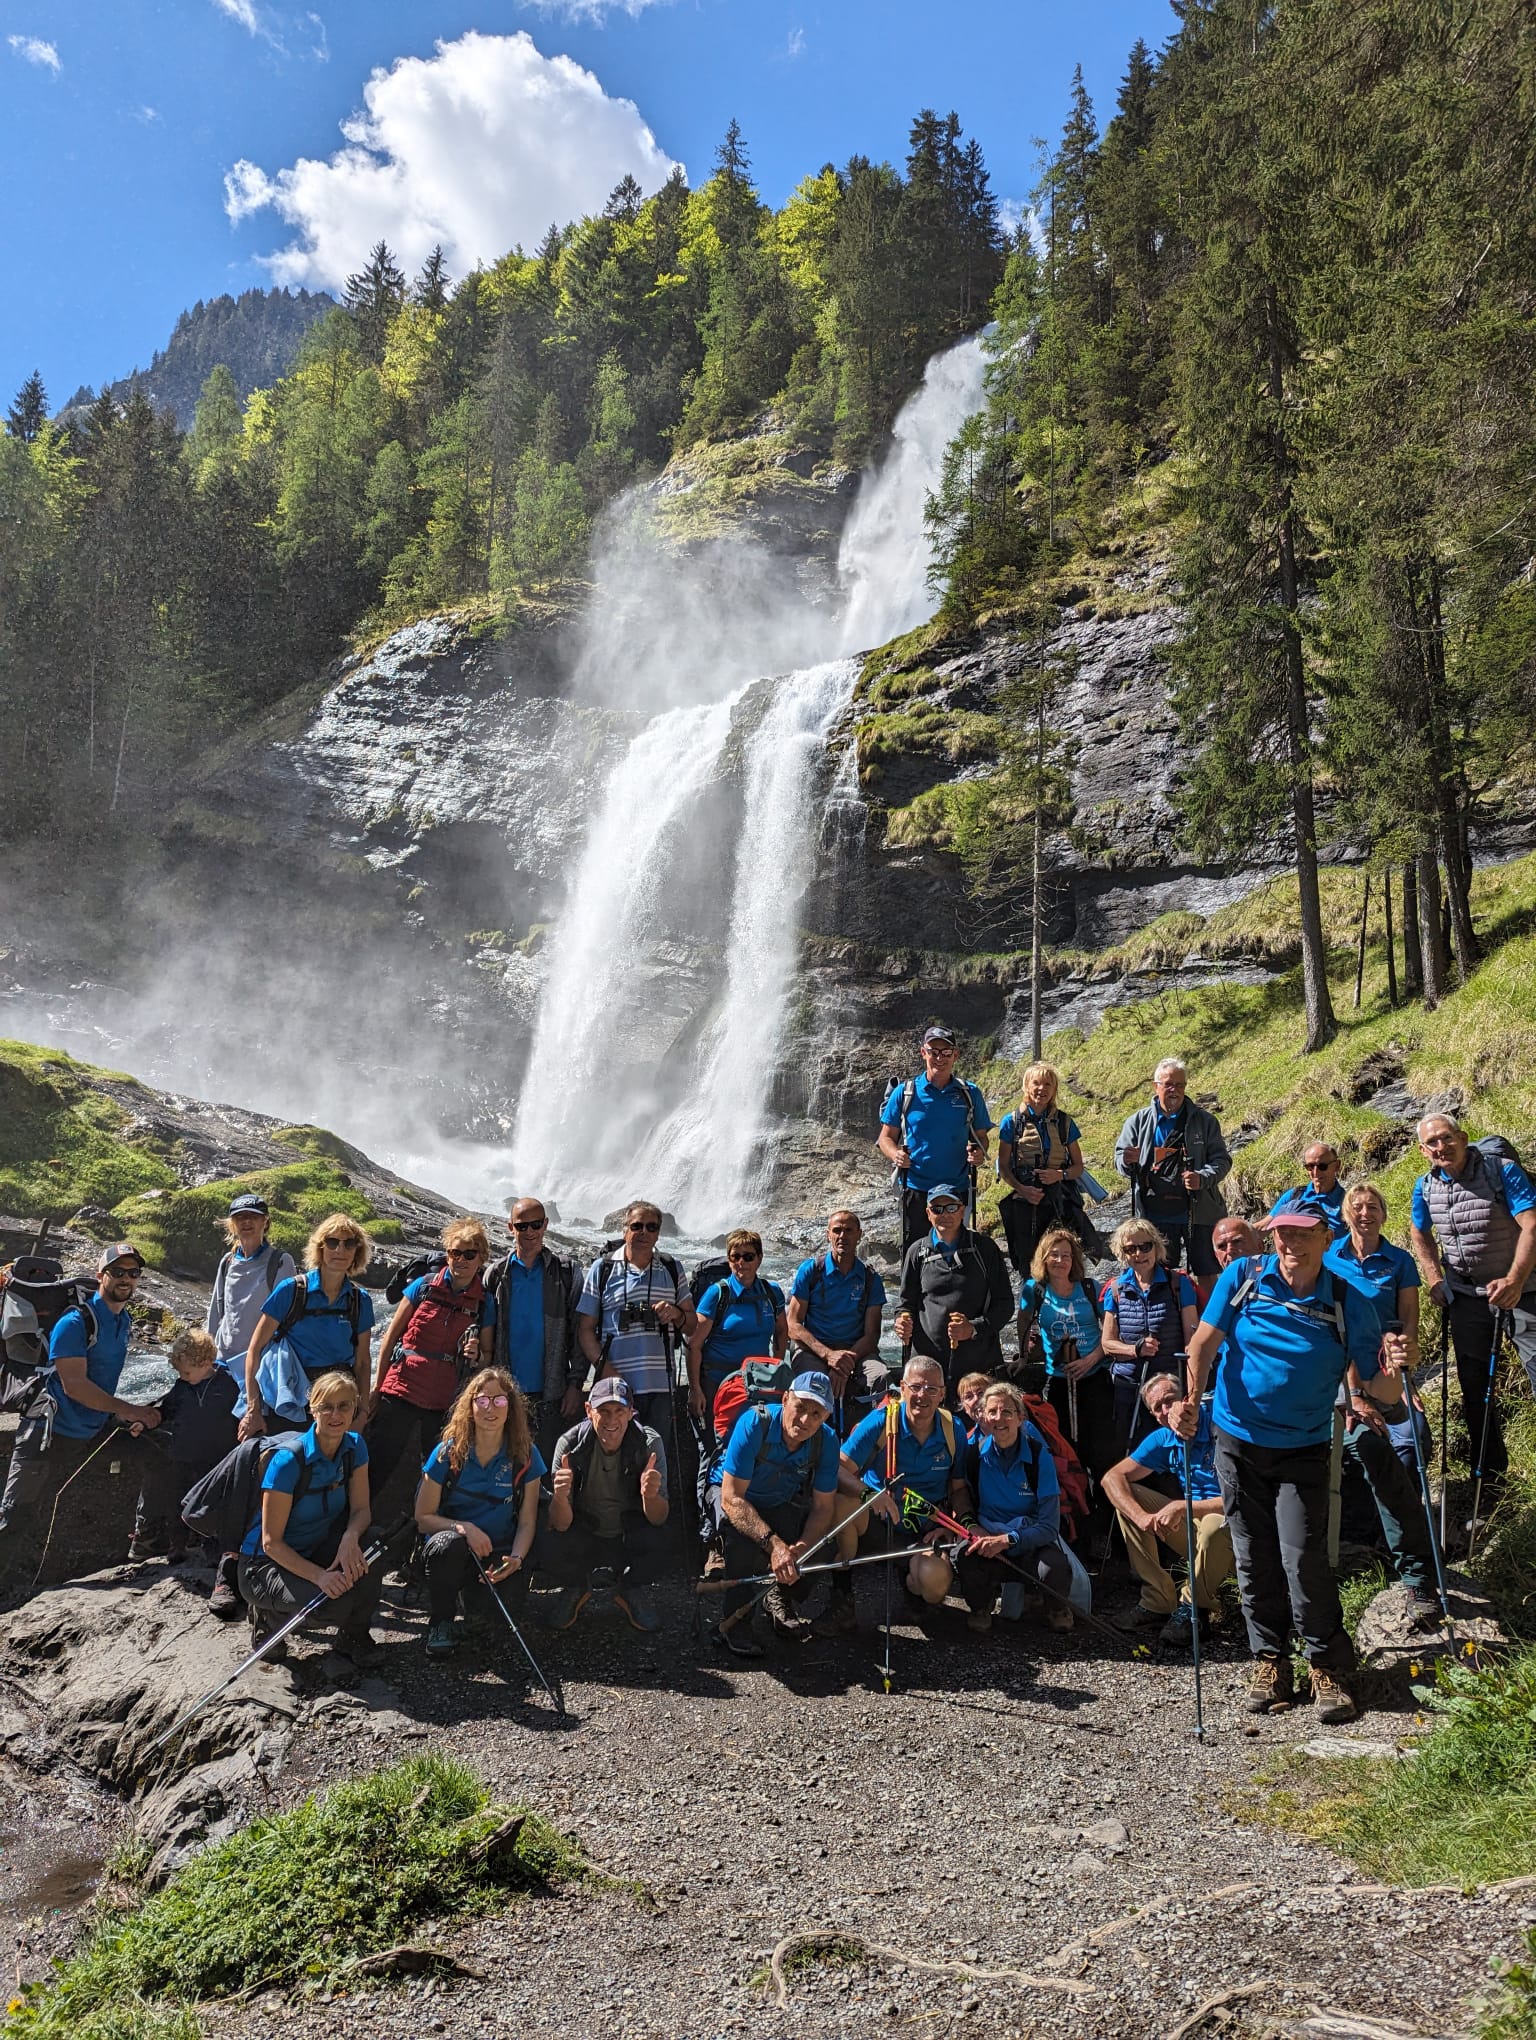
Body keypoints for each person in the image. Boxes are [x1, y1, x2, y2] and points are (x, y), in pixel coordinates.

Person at [1173, 1208, 1411, 1723]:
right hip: (1236, 1439)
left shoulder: (1350, 1298)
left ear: (1327, 1239)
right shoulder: (1244, 1276)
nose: (1290, 1243)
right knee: (1252, 1556)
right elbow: (1203, 1344)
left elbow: (1380, 1389)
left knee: (1302, 1557)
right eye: (1282, 1233)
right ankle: (1270, 1661)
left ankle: (1326, 1665)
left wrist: (1396, 1365)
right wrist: (1189, 1401)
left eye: (1303, 1235)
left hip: (1304, 1446)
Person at [0, 1242, 163, 1587]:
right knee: (14, 1515)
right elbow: (74, 1385)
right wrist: (128, 1408)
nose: (126, 1279)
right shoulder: (76, 1322)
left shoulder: (123, 1320)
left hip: (91, 1426)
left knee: (159, 1452)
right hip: (49, 1430)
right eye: (117, 1272)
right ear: (100, 1275)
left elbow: (101, 1379)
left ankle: (147, 1543)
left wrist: (122, 1415)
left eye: (133, 1273)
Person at [1326, 1181, 1440, 1625]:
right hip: (1340, 1382)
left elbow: (1407, 1321)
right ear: (1345, 1214)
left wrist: (1404, 1375)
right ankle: (1415, 1571)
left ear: (1384, 1214)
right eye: (1357, 1206)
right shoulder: (1329, 1259)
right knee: (1373, 1447)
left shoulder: (1399, 1261)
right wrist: (1353, 1393)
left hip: (1387, 1374)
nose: (1365, 1212)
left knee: (1413, 1441)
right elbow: (1335, 1333)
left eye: (1373, 1205)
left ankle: (1410, 1550)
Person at [1409, 1114, 1536, 1508]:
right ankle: (1492, 1482)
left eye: (1446, 1138)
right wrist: (1434, 1279)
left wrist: (1514, 1280)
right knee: (1475, 1389)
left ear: (1462, 1138)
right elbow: (1419, 1231)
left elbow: (1531, 1225)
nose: (1440, 1147)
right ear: (1422, 1150)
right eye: (1432, 1143)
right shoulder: (1425, 1186)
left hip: (1525, 1291)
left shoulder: (1502, 1171)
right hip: (1466, 1297)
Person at [237, 1369, 382, 1668]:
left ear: (354, 1408)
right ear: (312, 1409)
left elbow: (361, 1510)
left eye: (344, 1406)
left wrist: (350, 1537)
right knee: (334, 1603)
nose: (335, 1414)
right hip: (264, 1566)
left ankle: (354, 1637)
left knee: (374, 1546)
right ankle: (266, 1615)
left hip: (315, 1547)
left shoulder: (355, 1447)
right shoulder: (289, 1461)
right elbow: (271, 1543)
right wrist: (320, 1577)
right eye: (326, 1406)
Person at [815, 1355, 966, 1635]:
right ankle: (842, 1597)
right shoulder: (881, 1422)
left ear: (943, 1393)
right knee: (841, 1503)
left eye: (932, 1389)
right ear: (902, 1388)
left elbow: (958, 1488)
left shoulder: (953, 1430)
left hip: (920, 1529)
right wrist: (869, 1495)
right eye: (916, 1387)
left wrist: (953, 1527)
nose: (923, 1396)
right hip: (875, 1522)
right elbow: (837, 1468)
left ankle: (910, 1581)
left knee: (934, 1586)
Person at [414, 1365, 544, 1658]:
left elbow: (527, 1521)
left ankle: (474, 1601)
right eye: (482, 1400)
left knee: (494, 1625)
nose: (491, 1408)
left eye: (499, 1400)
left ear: (510, 1407)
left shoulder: (526, 1454)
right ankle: (441, 1622)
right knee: (447, 1545)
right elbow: (423, 1518)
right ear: (470, 1406)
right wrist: (464, 1528)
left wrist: (517, 1559)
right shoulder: (448, 1453)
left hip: (500, 1551)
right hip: (455, 1550)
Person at [367, 1219, 496, 1508]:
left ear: (482, 1258)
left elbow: (487, 1357)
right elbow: (389, 1339)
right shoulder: (423, 1286)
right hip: (401, 1389)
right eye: (454, 1253)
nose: (460, 1260)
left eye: (468, 1254)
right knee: (377, 1465)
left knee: (436, 1477)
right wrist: (377, 1388)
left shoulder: (484, 1304)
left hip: (444, 1402)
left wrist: (476, 1355)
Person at [713, 1370, 840, 1658]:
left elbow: (823, 1508)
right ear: (785, 1399)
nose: (806, 1420)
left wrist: (803, 1547)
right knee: (743, 1544)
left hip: (780, 1500)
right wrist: (775, 1546)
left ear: (826, 1417)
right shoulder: (754, 1424)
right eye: (800, 1408)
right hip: (733, 1496)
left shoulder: (827, 1442)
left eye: (816, 1414)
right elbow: (731, 1499)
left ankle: (780, 1595)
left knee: (824, 1547)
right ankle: (738, 1623)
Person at [1101, 1372, 1233, 1644]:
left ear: (1187, 1398)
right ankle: (1158, 1599)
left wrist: (1181, 1507)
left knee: (1212, 1525)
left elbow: (1243, 1498)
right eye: (1156, 1408)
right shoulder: (1163, 1438)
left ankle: (1191, 1606)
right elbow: (1111, 1478)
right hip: (1190, 1524)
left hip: (1234, 1530)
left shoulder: (1221, 1424)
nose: (1165, 1411)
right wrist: (1142, 1518)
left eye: (1170, 1401)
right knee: (1127, 1500)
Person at [541, 1376, 670, 1634]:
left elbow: (659, 1518)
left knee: (663, 1538)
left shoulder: (648, 1443)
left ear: (631, 1412)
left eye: (619, 1411)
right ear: (589, 1411)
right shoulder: (569, 1445)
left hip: (626, 1532)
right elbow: (559, 1523)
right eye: (603, 1411)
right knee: (547, 1541)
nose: (611, 1420)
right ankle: (576, 1586)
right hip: (585, 1530)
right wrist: (560, 1496)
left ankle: (630, 1588)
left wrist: (650, 1496)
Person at [238, 1216, 375, 1440]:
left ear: (356, 1252)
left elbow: (362, 1362)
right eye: (332, 1242)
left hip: (338, 1402)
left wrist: (362, 1413)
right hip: (293, 1400)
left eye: (349, 1243)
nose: (340, 1249)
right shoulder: (291, 1290)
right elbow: (255, 1349)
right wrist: (253, 1409)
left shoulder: (360, 1301)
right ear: (320, 1248)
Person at [954, 1380, 1073, 1633]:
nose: (1000, 1418)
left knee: (1056, 1567)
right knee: (964, 1557)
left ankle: (1055, 1608)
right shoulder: (973, 1455)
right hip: (989, 1537)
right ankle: (980, 1606)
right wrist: (975, 1528)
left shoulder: (1039, 1457)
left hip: (1028, 1538)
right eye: (993, 1412)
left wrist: (1009, 1539)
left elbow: (1049, 1527)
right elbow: (961, 1495)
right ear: (983, 1418)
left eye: (1007, 1412)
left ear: (1020, 1418)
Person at [577, 1201, 694, 1439]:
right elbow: (585, 1330)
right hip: (615, 1388)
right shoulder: (603, 1269)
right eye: (637, 1226)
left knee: (654, 1460)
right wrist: (608, 1372)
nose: (644, 1232)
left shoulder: (672, 1268)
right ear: (624, 1229)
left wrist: (675, 1313)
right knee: (616, 1458)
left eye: (651, 1227)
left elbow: (691, 1324)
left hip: (661, 1387)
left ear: (659, 1233)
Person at [877, 1026, 992, 1257]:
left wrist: (979, 1153)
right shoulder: (905, 1093)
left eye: (946, 1052)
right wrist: (895, 1154)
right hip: (916, 1190)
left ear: (955, 1055)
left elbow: (981, 1137)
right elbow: (885, 1138)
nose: (939, 1057)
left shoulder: (969, 1093)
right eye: (934, 1051)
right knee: (915, 1256)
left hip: (956, 1189)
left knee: (955, 1255)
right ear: (923, 1053)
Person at [485, 1198, 585, 1462]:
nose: (529, 1232)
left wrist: (576, 1384)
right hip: (506, 1392)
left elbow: (580, 1332)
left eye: (536, 1224)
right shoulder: (496, 1274)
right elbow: (485, 1333)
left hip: (552, 1392)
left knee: (550, 1469)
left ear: (545, 1225)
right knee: (506, 1467)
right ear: (510, 1227)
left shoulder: (565, 1272)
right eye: (522, 1225)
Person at [131, 1326, 239, 1565]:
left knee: (213, 1505)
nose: (183, 1377)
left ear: (207, 1363)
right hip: (182, 1456)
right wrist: (144, 1422)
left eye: (187, 1372)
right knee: (177, 1501)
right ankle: (177, 1546)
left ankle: (213, 1550)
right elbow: (165, 1410)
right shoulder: (180, 1387)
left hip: (217, 1459)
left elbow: (240, 1416)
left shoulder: (229, 1385)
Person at [1115, 1058, 1231, 1279]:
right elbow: (1120, 1160)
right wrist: (1126, 1160)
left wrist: (1202, 1177)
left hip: (1200, 1212)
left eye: (1179, 1085)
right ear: (1156, 1086)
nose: (1174, 1090)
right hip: (1154, 1215)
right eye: (1168, 1084)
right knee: (1158, 1275)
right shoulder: (1137, 1122)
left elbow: (1222, 1161)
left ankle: (1207, 1314)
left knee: (1207, 1272)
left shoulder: (1205, 1122)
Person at [1015, 1226, 1113, 1484]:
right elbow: (1024, 1318)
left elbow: (1113, 1330)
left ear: (1074, 1259)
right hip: (1056, 1375)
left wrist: (1092, 1359)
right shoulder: (1034, 1290)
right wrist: (1024, 1356)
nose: (1060, 1260)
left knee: (1099, 1444)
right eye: (1054, 1254)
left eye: (1066, 1255)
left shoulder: (1091, 1288)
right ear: (1044, 1258)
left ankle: (1101, 1502)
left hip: (1094, 1373)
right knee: (1062, 1442)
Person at [893, 1184, 1013, 1395]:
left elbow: (1005, 1305)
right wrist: (902, 1320)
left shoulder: (984, 1249)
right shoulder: (916, 1252)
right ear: (928, 1213)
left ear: (963, 1210)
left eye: (951, 1207)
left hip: (979, 1364)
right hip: (927, 1367)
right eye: (937, 1209)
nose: (944, 1214)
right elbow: (905, 1303)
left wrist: (974, 1328)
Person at [1099, 1219, 1199, 1458]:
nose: (1139, 1253)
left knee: (1177, 1450)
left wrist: (1193, 1389)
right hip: (1130, 1387)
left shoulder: (1178, 1283)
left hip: (1170, 1388)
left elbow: (1192, 1340)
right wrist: (1135, 1349)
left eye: (1145, 1246)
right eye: (1130, 1249)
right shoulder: (1115, 1289)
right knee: (1135, 1453)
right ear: (1121, 1253)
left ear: (1156, 1247)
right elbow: (1107, 1344)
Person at [785, 1211, 889, 1431]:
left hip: (855, 1351)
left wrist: (842, 1365)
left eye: (849, 1230)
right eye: (837, 1230)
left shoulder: (870, 1278)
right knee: (813, 1380)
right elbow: (793, 1325)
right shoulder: (811, 1271)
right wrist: (828, 1355)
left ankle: (870, 1441)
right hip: (814, 1348)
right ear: (828, 1235)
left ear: (859, 1235)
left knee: (881, 1376)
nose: (843, 1236)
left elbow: (872, 1336)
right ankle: (809, 1444)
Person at [996, 1062, 1090, 1278]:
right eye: (1036, 1083)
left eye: (1048, 1084)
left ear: (1054, 1089)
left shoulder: (1064, 1122)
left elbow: (1078, 1167)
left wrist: (1060, 1175)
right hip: (1024, 1202)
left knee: (1059, 1260)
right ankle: (1030, 1307)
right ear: (1026, 1086)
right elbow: (1003, 1166)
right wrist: (1023, 1189)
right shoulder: (1011, 1122)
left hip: (1057, 1201)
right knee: (1026, 1263)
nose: (1042, 1089)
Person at [688, 1230, 788, 1427]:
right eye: (735, 1256)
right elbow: (693, 1344)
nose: (741, 1262)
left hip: (758, 1383)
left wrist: (776, 1369)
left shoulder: (772, 1292)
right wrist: (695, 1389)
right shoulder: (717, 1294)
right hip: (718, 1382)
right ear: (729, 1259)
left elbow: (782, 1331)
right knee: (715, 1447)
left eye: (748, 1256)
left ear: (759, 1258)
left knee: (757, 1443)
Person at [206, 1195, 296, 1378]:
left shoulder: (280, 1262)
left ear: (265, 1221)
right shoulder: (227, 1262)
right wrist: (208, 1355)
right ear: (232, 1224)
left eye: (253, 1216)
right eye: (240, 1217)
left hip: (261, 1364)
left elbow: (289, 1316)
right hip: (223, 1362)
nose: (246, 1222)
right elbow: (216, 1311)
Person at [1270, 1143, 1349, 1238]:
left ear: (1337, 1166)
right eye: (1310, 1166)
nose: (1315, 1172)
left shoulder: (1347, 1202)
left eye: (1322, 1166)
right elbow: (1264, 1226)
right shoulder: (1294, 1195)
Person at [957, 1371, 992, 1441]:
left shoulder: (1015, 1427)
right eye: (969, 1396)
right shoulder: (967, 1443)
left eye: (981, 1393)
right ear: (965, 1409)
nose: (976, 1399)